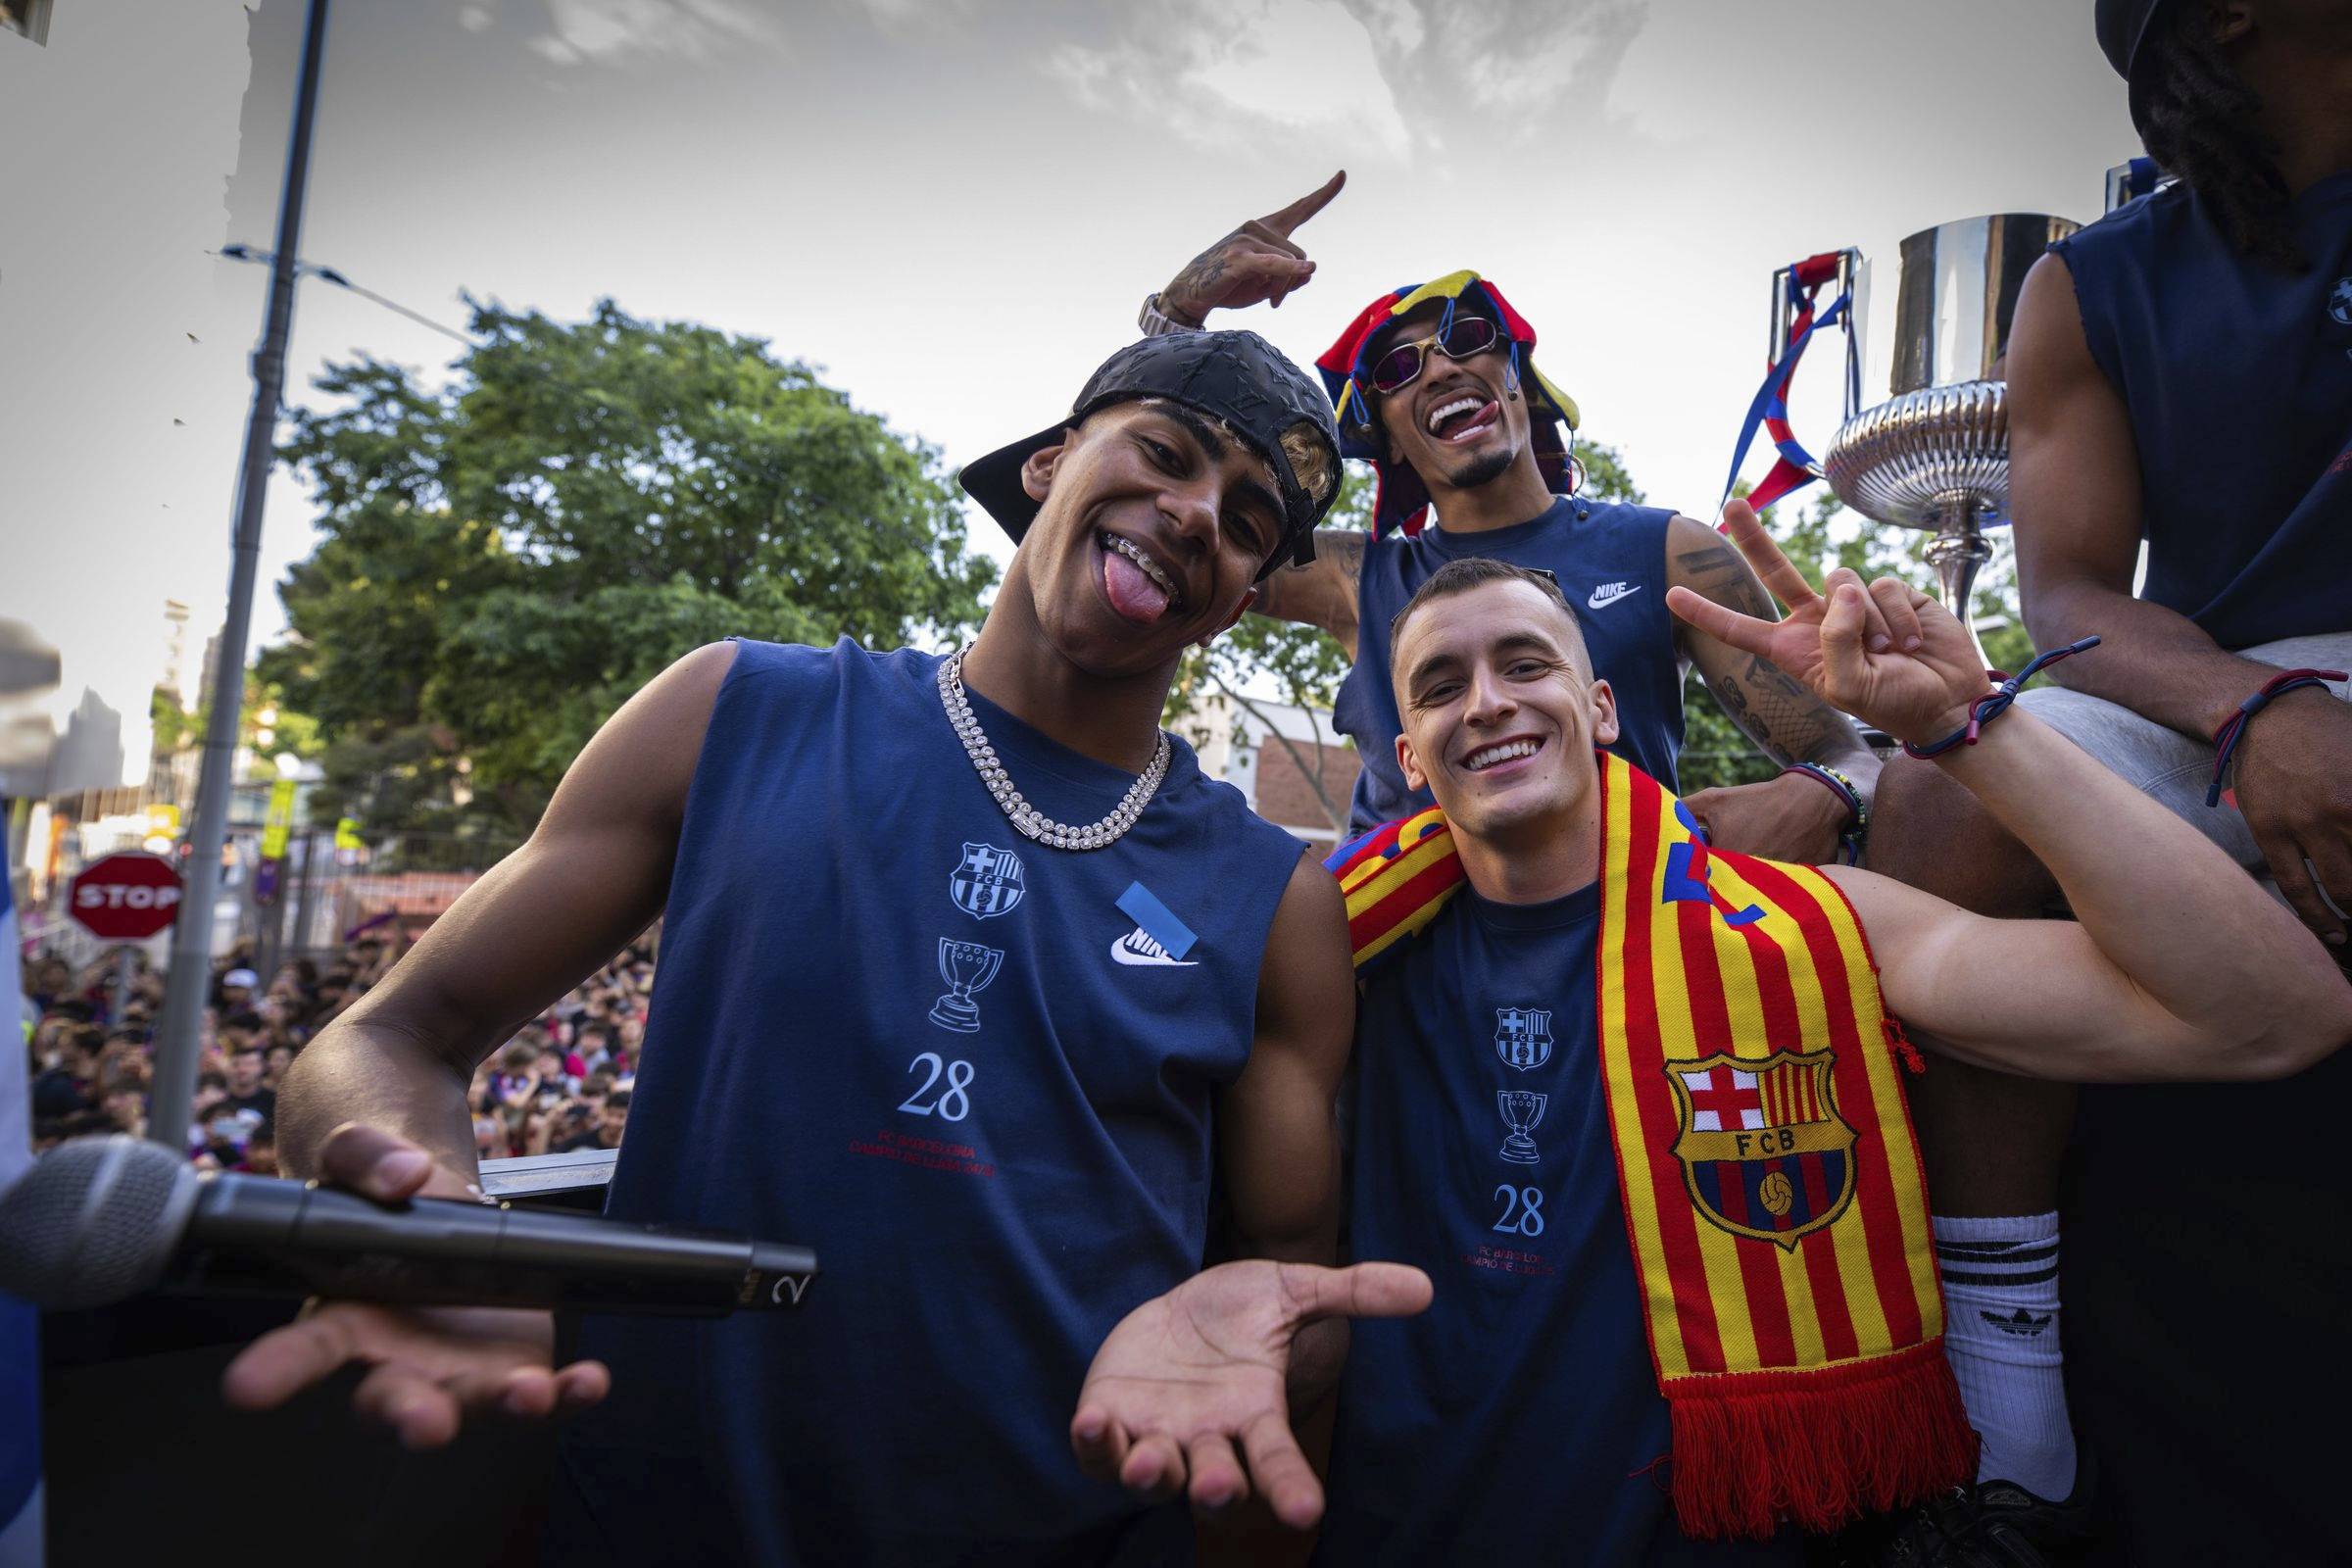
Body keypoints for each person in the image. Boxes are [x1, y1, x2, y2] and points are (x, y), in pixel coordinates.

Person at [224, 328, 1428, 1563]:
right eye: (1163, 454)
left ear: (1239, 600)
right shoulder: (736, 710)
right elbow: (385, 1041)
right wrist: (434, 1231)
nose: (1191, 516)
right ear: (1051, 463)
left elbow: (1294, 1277)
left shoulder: (1273, 896)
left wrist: (1276, 1339)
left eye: (1244, 524)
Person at [1072, 521, 2352, 1562]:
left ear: (1604, 706)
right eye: (1442, 686)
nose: (1490, 703)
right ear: (1408, 757)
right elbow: (1090, 930)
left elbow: (2265, 1015)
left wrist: (1970, 729)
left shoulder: (1816, 929)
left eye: (1526, 663)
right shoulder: (1324, 951)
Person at [1852, 2, 2352, 1556]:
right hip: (2231, 671)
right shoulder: (2093, 282)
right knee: (1951, 784)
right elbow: (2069, 597)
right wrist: (2251, 706)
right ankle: (2005, 1393)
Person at [1141, 176, 1884, 866]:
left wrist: (1825, 794)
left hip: (1620, 959)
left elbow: (1846, 755)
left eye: (1466, 339)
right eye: (1398, 371)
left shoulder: (1672, 554)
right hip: (1392, 965)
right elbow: (1153, 520)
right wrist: (1175, 321)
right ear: (1389, 438)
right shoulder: (1353, 577)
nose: (1436, 370)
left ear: (1519, 384)